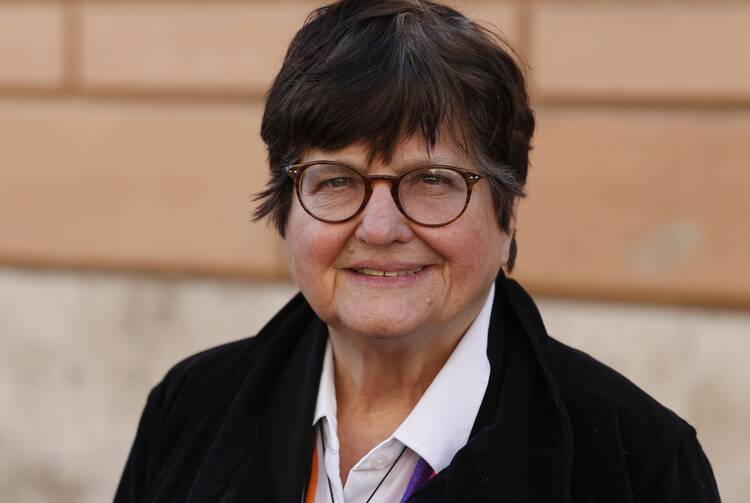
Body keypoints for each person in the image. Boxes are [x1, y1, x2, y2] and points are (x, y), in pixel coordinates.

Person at [115, 1, 721, 502]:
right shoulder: (190, 407)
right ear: (287, 208)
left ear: (506, 213)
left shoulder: (637, 464)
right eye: (336, 180)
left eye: (432, 180)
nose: (379, 228)